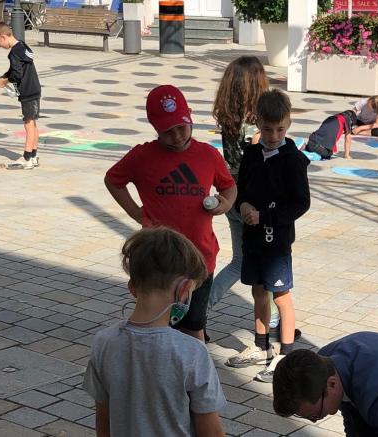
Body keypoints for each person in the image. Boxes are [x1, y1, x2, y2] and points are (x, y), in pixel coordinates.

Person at [105, 84, 237, 342]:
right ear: (154, 127)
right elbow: (113, 180)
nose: (177, 136)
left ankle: (196, 377)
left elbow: (228, 185)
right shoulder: (143, 156)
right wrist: (136, 213)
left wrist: (226, 203)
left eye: (181, 127)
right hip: (159, 261)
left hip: (201, 258)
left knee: (194, 326)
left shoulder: (208, 155)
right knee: (159, 324)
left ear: (190, 117)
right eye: (168, 131)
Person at [83, 227, 226, 437]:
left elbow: (103, 419)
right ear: (184, 289)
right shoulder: (192, 351)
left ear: (132, 287)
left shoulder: (104, 342)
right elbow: (210, 431)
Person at [225, 89, 310, 383]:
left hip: (278, 243)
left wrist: (267, 217)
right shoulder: (251, 154)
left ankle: (285, 354)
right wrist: (243, 204)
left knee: (281, 295)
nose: (273, 135)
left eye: (280, 129)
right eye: (267, 129)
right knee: (258, 292)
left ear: (288, 124)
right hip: (253, 240)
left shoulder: (293, 160)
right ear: (257, 124)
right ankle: (261, 347)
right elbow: (241, 190)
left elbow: (301, 202)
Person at [209, 55, 267, 310]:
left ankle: (275, 319)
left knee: (258, 262)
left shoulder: (229, 117)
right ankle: (199, 310)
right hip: (250, 198)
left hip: (228, 191)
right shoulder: (256, 126)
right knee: (246, 262)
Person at [0, 21, 41, 169]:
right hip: (35, 88)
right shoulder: (22, 46)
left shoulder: (13, 53)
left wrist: (5, 81)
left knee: (28, 124)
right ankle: (34, 156)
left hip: (27, 91)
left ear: (3, 37)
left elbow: (16, 74)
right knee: (33, 124)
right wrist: (0, 80)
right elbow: (14, 70)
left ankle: (27, 158)